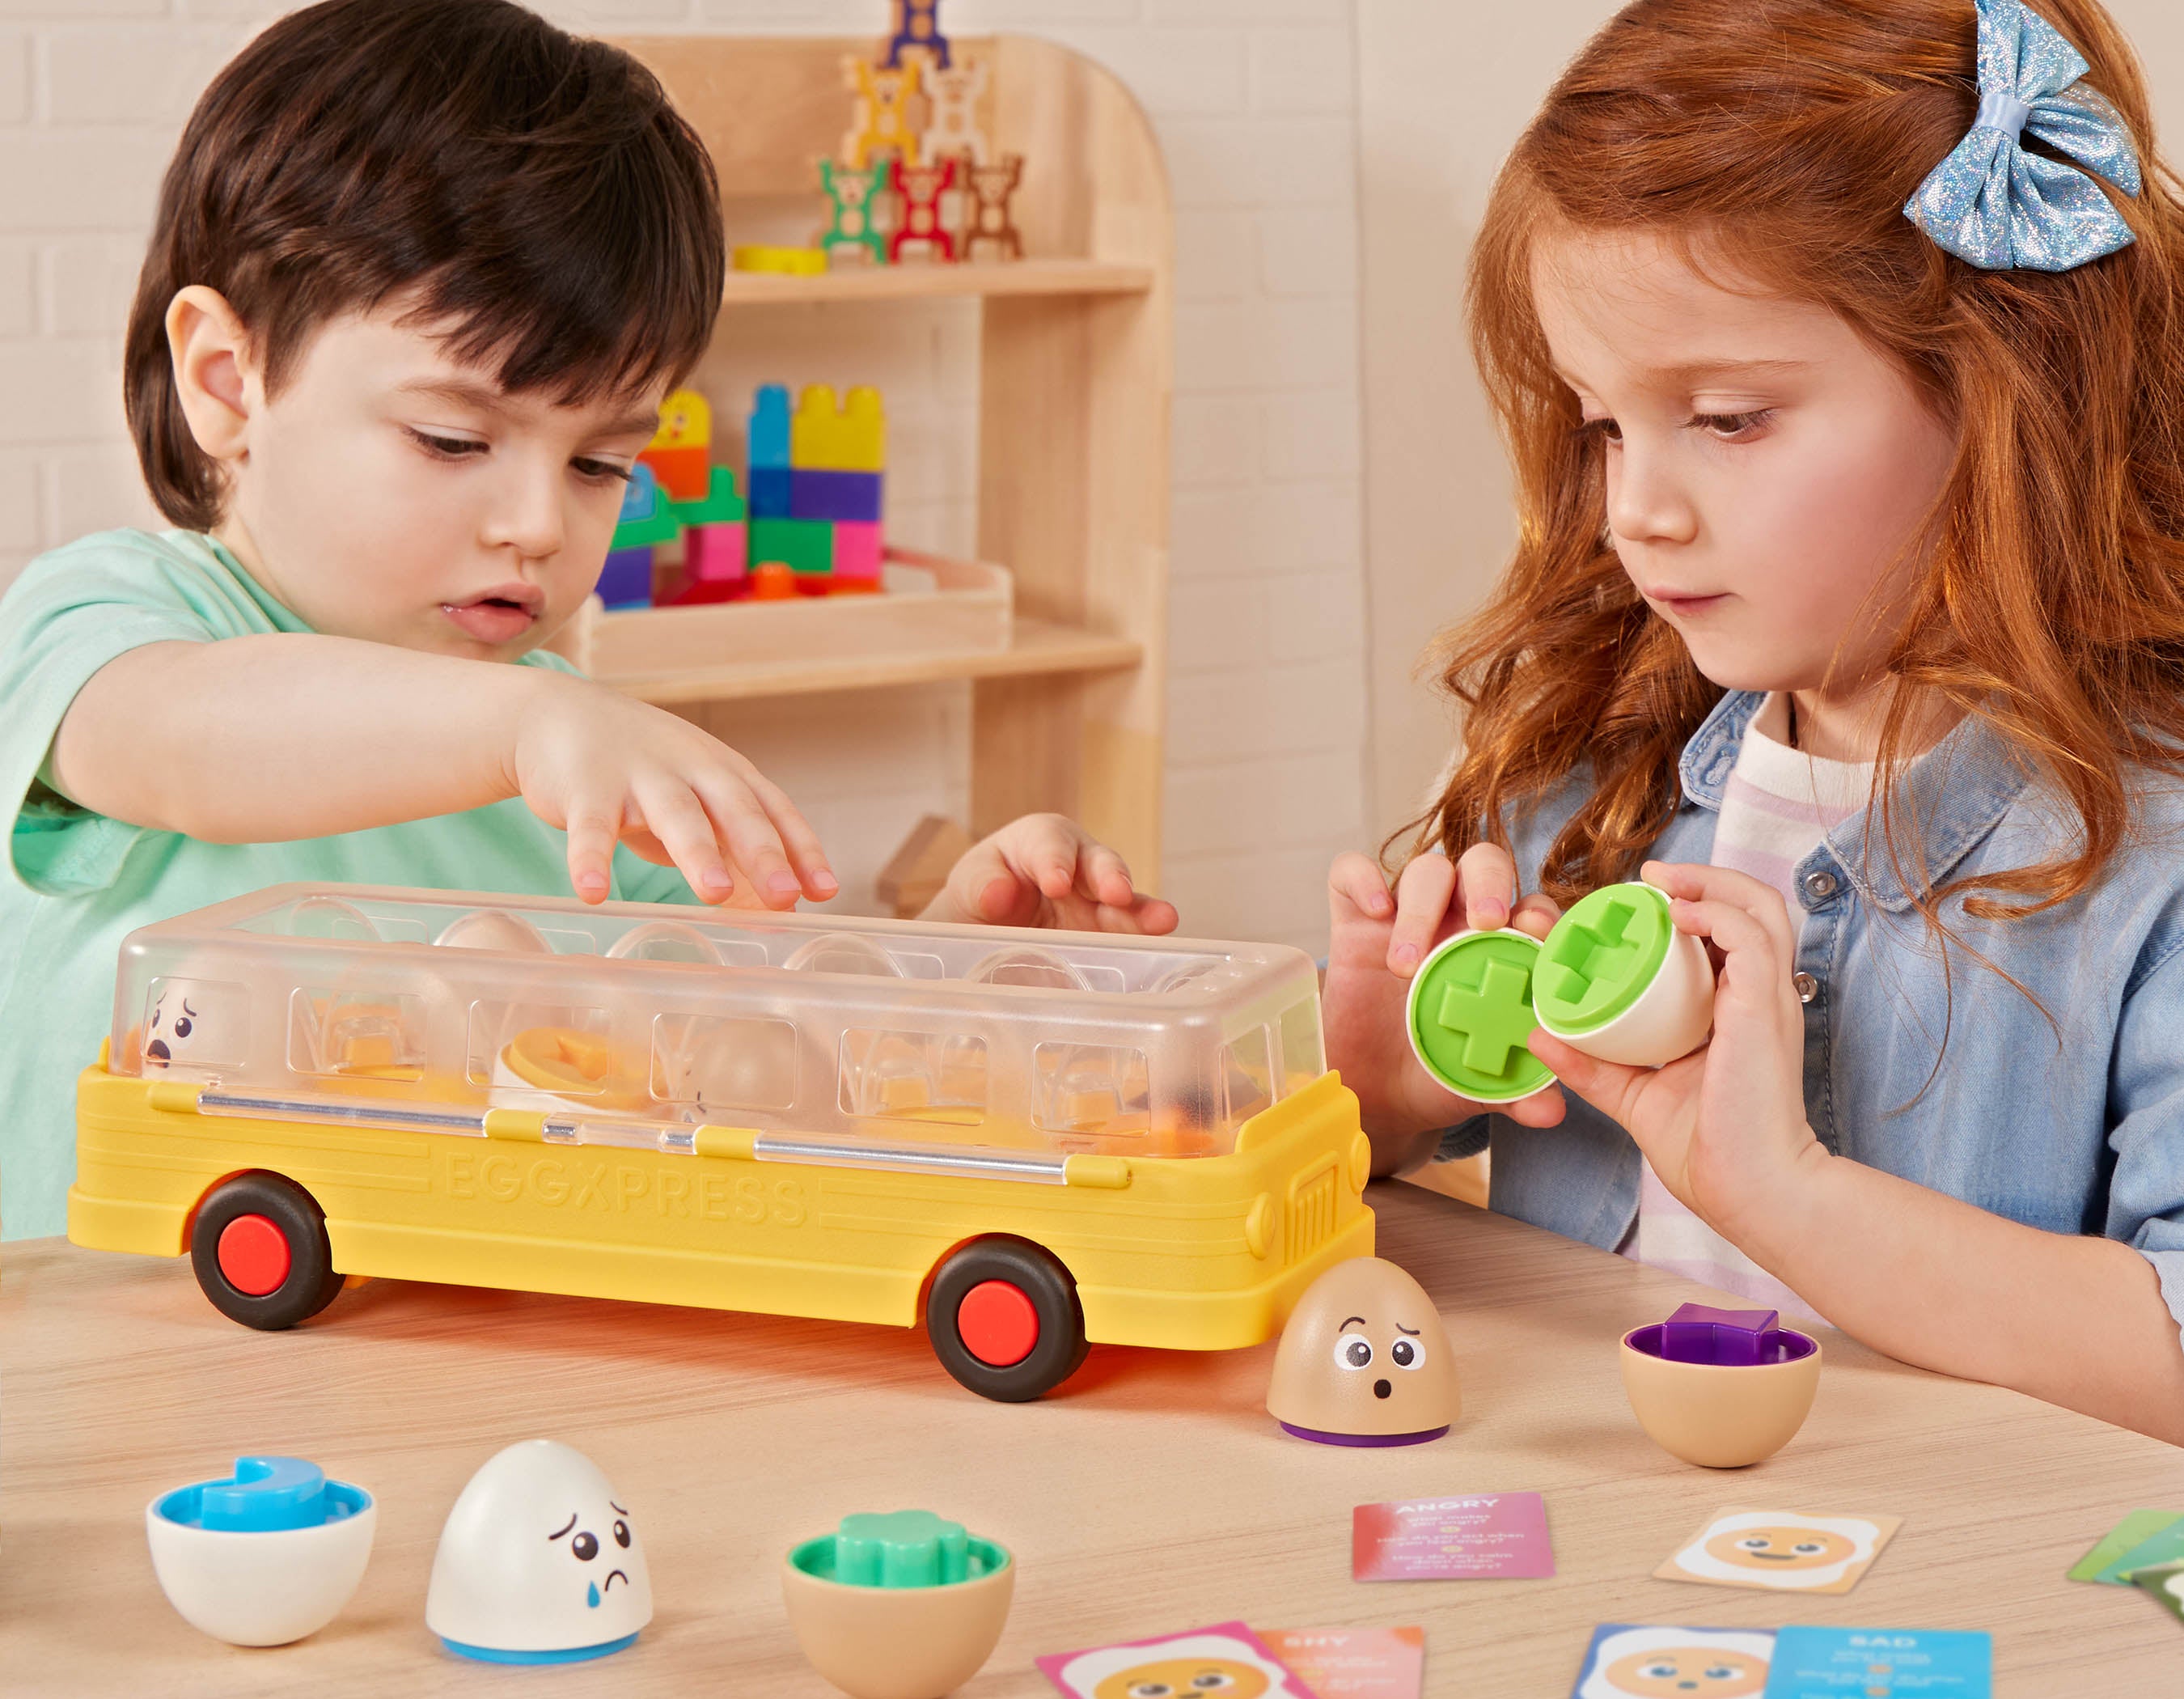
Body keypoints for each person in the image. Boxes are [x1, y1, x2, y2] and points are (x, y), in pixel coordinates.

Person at [0, 0, 1171, 1241]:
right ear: (229, 383)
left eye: (603, 463)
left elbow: (758, 1047)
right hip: (105, 1361)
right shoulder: (116, 617)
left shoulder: (577, 760)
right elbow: (179, 744)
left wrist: (949, 965)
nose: (539, 526)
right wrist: (527, 723)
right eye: (452, 439)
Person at [1325, 0, 2184, 1441]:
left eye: (1726, 418)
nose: (1637, 511)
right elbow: (1355, 1186)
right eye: (1604, 423)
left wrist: (1788, 1193)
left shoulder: (2143, 863)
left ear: (2006, 393)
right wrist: (1379, 1089)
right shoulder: (1599, 773)